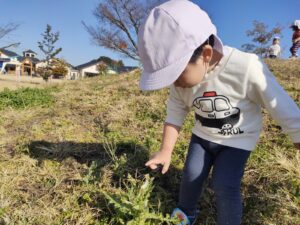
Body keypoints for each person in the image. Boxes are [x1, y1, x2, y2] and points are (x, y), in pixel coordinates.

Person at [137, 1, 300, 225]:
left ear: (205, 53)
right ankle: (186, 212)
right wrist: (165, 150)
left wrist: (297, 135)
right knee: (191, 174)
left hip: (237, 141)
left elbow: (280, 104)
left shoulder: (246, 68)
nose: (174, 83)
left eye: (177, 73)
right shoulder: (180, 85)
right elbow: (175, 113)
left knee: (225, 184)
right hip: (202, 138)